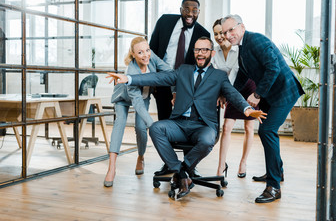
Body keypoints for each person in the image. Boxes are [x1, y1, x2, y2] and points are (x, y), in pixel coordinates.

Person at [107, 37, 267, 199]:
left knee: (206, 140)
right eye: (197, 50)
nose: (200, 53)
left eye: (204, 50)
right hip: (179, 124)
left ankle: (180, 171)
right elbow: (158, 78)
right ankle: (183, 173)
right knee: (156, 128)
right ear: (194, 53)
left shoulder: (219, 76)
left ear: (211, 53)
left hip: (203, 126)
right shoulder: (183, 70)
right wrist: (130, 79)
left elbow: (232, 94)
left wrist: (247, 109)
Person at [221, 14, 305, 203]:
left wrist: (257, 94)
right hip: (270, 93)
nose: (228, 35)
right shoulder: (242, 48)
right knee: (266, 131)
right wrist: (229, 94)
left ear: (242, 27)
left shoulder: (256, 40)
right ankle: (277, 172)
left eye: (231, 30)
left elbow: (273, 68)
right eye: (225, 32)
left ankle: (274, 187)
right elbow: (243, 75)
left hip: (283, 92)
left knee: (267, 131)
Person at [149, 0, 210, 176]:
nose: (190, 13)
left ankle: (189, 165)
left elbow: (203, 62)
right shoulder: (165, 21)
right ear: (181, 9)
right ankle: (169, 163)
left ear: (199, 11)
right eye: (187, 9)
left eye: (195, 10)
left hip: (187, 84)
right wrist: (152, 79)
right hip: (163, 79)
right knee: (164, 120)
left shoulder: (202, 32)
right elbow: (152, 50)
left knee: (186, 122)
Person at [103, 37, 171, 187]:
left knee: (141, 128)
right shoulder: (131, 70)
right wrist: (154, 125)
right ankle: (112, 168)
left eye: (147, 50)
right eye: (140, 52)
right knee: (119, 124)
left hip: (144, 96)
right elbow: (138, 105)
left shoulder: (151, 57)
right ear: (133, 54)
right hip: (123, 97)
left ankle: (141, 157)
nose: (145, 54)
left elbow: (168, 70)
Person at [211, 18, 258, 178]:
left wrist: (225, 94)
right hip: (230, 88)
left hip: (246, 86)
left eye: (222, 32)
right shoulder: (214, 52)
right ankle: (220, 167)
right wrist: (220, 93)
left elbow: (237, 74)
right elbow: (215, 75)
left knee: (248, 127)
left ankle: (243, 162)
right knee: (226, 127)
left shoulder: (238, 49)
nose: (220, 36)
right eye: (216, 33)